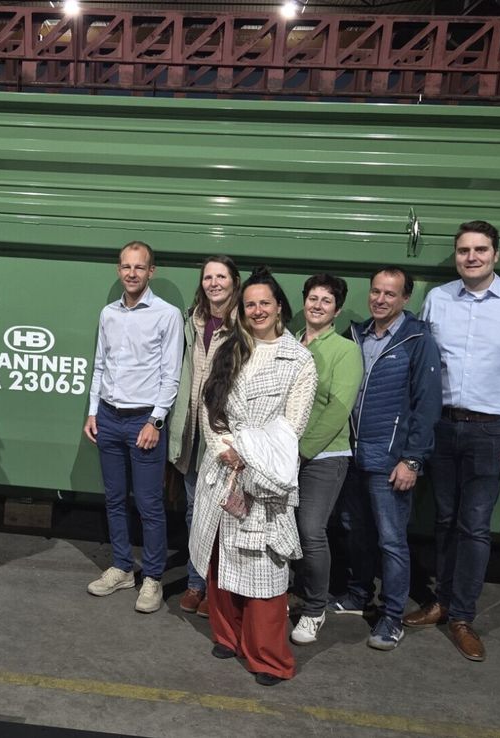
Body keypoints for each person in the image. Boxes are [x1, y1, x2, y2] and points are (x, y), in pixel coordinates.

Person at [406, 220, 500, 661]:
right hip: (443, 426)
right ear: (456, 255)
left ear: (495, 255)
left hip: (492, 430)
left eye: (480, 249)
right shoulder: (438, 299)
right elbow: (423, 363)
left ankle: (462, 617)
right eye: (464, 250)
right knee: (445, 519)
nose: (471, 257)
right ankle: (441, 601)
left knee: (474, 525)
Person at [190, 267, 317, 686]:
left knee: (264, 569)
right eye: (250, 304)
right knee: (219, 557)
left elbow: (291, 428)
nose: (258, 310)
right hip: (221, 468)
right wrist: (222, 447)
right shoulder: (230, 346)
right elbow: (211, 406)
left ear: (279, 306)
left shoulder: (298, 360)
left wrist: (242, 453)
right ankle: (227, 636)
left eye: (265, 303)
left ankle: (268, 658)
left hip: (262, 478)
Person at [335, 266, 441, 651]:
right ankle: (357, 595)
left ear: (405, 299)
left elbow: (427, 406)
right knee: (355, 530)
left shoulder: (416, 340)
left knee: (392, 540)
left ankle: (392, 616)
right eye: (376, 292)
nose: (380, 299)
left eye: (390, 294)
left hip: (390, 459)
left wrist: (412, 460)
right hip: (354, 455)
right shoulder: (357, 334)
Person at [83, 241, 183, 614]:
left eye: (139, 267)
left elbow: (171, 375)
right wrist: (93, 412)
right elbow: (100, 366)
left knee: (149, 504)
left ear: (151, 271)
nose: (131, 273)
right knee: (113, 498)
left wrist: (156, 421)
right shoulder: (108, 314)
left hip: (144, 420)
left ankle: (153, 578)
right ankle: (123, 567)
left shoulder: (167, 315)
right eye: (126, 266)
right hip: (108, 417)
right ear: (118, 270)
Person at [288, 274, 363, 645]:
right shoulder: (289, 340)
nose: (317, 305)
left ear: (336, 309)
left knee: (310, 530)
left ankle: (315, 609)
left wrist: (300, 450)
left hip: (324, 455)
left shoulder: (345, 351)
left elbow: (338, 409)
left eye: (326, 301)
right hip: (283, 454)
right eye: (312, 298)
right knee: (282, 531)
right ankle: (292, 596)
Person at [166, 255, 240, 618]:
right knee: (195, 511)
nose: (214, 283)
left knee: (225, 516)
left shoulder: (244, 325)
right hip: (192, 431)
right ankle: (196, 584)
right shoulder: (192, 321)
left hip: (225, 436)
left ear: (234, 281)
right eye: (208, 277)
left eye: (221, 276)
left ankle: (220, 589)